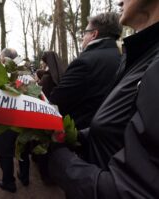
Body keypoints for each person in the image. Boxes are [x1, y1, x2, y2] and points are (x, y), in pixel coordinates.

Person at [49, 1, 159, 198]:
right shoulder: (130, 56)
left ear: (94, 35)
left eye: (84, 32)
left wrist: (57, 158)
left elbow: (137, 190)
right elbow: (126, 127)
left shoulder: (88, 60)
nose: (119, 1)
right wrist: (78, 136)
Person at [50, 12, 123, 130]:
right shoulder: (123, 58)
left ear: (94, 34)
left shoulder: (84, 62)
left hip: (80, 133)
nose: (82, 37)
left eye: (85, 33)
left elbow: (57, 101)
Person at [0, 48, 30, 193]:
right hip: (22, 120)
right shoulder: (25, 75)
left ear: (4, 59)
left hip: (4, 121)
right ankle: (25, 177)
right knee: (22, 149)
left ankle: (8, 182)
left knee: (6, 153)